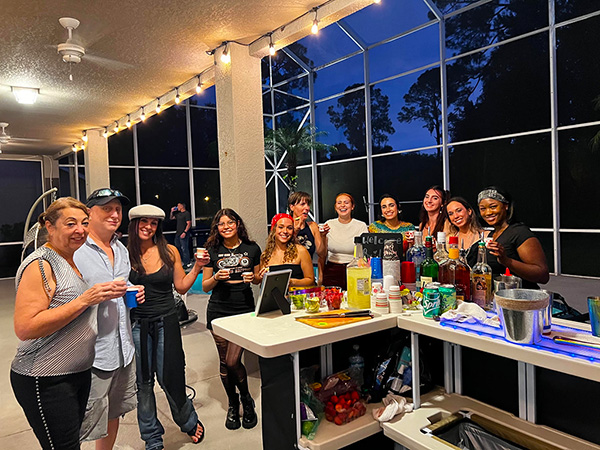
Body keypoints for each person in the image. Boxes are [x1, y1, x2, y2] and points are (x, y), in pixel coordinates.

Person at [11, 197, 127, 450]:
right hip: (45, 377)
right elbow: (25, 327)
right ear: (49, 227)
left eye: (84, 223)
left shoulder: (70, 260)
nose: (80, 230)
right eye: (70, 223)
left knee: (72, 442)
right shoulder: (41, 264)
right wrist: (85, 299)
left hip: (77, 373)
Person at [127, 204, 208, 448]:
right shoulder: (123, 254)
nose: (148, 227)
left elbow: (181, 286)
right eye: (144, 222)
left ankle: (188, 420)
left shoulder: (169, 251)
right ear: (134, 224)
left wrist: (197, 267)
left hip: (166, 321)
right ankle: (151, 437)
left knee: (171, 376)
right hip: (137, 324)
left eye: (153, 223)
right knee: (143, 383)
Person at [74, 188, 144, 450]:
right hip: (92, 354)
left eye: (118, 209)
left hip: (124, 349)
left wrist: (134, 292)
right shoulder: (77, 250)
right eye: (107, 208)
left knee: (114, 412)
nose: (114, 214)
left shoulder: (120, 248)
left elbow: (122, 288)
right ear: (89, 212)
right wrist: (92, 296)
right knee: (84, 420)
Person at [202, 208, 262, 431]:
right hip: (218, 310)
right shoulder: (212, 250)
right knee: (224, 362)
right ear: (217, 228)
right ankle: (232, 403)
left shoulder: (252, 248)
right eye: (221, 224)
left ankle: (245, 398)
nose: (225, 227)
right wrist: (216, 277)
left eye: (230, 223)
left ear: (238, 224)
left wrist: (254, 277)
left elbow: (257, 280)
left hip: (244, 309)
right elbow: (206, 286)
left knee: (233, 361)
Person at [477, 187, 549, 289]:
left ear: (506, 206)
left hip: (520, 299)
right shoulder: (491, 235)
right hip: (498, 299)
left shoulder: (519, 232)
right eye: (483, 209)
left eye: (493, 207)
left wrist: (506, 261)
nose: (488, 213)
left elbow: (542, 275)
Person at [321, 193, 368, 289]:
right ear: (335, 207)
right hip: (332, 269)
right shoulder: (329, 224)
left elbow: (365, 253)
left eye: (346, 203)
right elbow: (322, 253)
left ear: (352, 206)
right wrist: (322, 236)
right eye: (339, 203)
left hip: (355, 269)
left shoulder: (361, 226)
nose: (342, 205)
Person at [259, 213, 315, 287]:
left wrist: (291, 282)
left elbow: (310, 280)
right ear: (273, 229)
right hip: (273, 297)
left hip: (296, 297)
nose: (285, 231)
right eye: (281, 227)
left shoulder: (301, 251)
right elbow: (262, 284)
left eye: (289, 228)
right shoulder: (265, 255)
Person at [287, 191, 326, 282]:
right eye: (302, 204)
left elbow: (321, 254)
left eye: (308, 204)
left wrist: (323, 236)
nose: (307, 208)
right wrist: (295, 230)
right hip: (290, 275)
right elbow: (283, 249)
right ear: (292, 207)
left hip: (307, 276)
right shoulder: (285, 227)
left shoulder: (312, 226)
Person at [446, 197, 482, 267]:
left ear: (469, 211)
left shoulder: (485, 236)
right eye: (451, 214)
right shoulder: (448, 240)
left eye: (459, 210)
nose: (455, 216)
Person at [170, 202, 192, 267]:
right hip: (178, 233)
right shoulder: (178, 214)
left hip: (183, 233)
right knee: (177, 246)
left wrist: (185, 232)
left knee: (184, 248)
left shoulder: (186, 213)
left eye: (178, 205)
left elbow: (189, 223)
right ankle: (182, 260)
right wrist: (171, 211)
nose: (177, 207)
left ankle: (187, 263)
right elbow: (171, 218)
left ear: (182, 206)